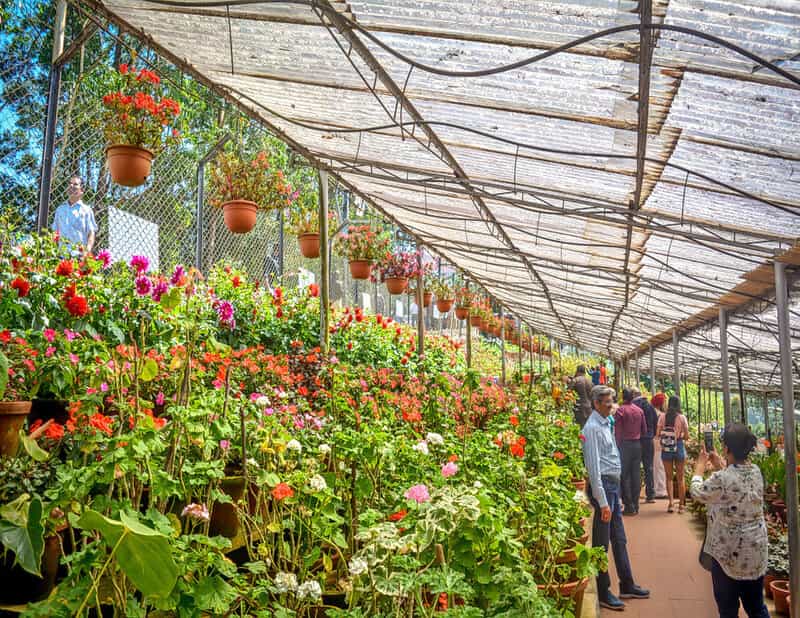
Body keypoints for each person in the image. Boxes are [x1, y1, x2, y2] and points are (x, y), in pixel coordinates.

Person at [582, 384, 650, 611]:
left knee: (619, 538)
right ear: (596, 404)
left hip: (613, 488)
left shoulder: (606, 422)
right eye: (607, 401)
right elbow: (593, 468)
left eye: (612, 400)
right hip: (604, 490)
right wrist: (602, 502)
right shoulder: (591, 428)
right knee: (602, 544)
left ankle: (627, 583)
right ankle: (603, 591)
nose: (611, 405)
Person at [691, 424, 768, 618]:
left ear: (726, 449)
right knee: (757, 607)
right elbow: (738, 485)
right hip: (755, 551)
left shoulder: (722, 478)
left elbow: (698, 492)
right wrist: (721, 465)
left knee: (728, 610)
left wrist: (699, 470)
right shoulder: (757, 471)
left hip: (728, 555)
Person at [614, 388, 647, 515]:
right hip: (637, 444)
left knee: (625, 475)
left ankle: (629, 505)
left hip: (625, 445)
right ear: (632, 397)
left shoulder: (621, 411)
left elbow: (618, 431)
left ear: (623, 397)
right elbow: (644, 430)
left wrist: (617, 445)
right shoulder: (639, 411)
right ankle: (636, 503)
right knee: (636, 474)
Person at [656, 395, 690, 513]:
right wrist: (679, 436)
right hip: (679, 447)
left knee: (669, 477)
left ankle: (670, 504)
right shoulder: (682, 418)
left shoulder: (662, 417)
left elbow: (658, 433)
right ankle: (681, 506)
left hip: (666, 448)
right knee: (680, 478)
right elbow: (687, 436)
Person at [52, 175, 97, 254]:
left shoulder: (87, 211)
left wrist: (86, 252)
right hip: (61, 256)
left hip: (79, 256)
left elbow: (91, 233)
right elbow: (55, 233)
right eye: (70, 183)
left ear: (82, 190)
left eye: (75, 184)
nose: (71, 186)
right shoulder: (60, 210)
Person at [632, 389, 659, 503]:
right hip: (648, 440)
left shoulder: (633, 406)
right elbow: (655, 422)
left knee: (635, 467)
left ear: (633, 395)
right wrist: (651, 433)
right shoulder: (649, 406)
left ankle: (635, 495)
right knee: (649, 467)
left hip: (636, 439)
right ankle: (650, 494)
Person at [650, 392, 669, 499]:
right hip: (659, 441)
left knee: (657, 465)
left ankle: (658, 488)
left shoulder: (653, 412)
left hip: (655, 441)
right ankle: (660, 490)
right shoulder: (660, 414)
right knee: (659, 466)